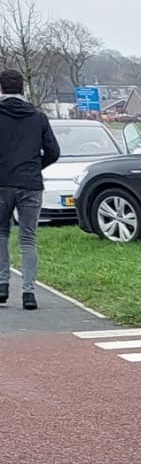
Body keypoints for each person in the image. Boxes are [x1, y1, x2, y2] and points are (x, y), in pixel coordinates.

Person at [0, 68, 60, 312]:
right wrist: (34, 167)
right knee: (28, 238)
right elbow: (54, 152)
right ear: (22, 88)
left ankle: (2, 285)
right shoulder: (38, 117)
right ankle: (28, 293)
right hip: (31, 184)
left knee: (1, 233)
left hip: (1, 183)